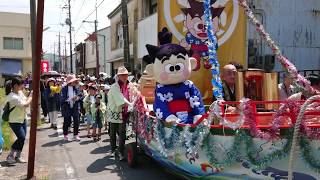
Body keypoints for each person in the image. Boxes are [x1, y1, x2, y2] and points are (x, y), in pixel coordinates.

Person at [107, 66, 133, 161]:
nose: (124, 77)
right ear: (118, 76)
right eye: (122, 75)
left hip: (124, 111)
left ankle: (121, 151)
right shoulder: (114, 87)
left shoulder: (130, 85)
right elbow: (121, 98)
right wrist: (130, 104)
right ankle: (113, 149)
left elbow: (134, 93)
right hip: (114, 111)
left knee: (122, 133)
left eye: (125, 75)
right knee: (113, 132)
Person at [5, 77, 32, 164]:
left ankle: (18, 156)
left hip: (22, 119)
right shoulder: (12, 97)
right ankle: (10, 155)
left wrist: (28, 96)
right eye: (22, 84)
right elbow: (26, 104)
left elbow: (24, 99)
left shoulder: (19, 92)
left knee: (22, 139)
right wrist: (31, 96)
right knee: (22, 137)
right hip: (14, 120)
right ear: (16, 85)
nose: (23, 86)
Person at [61, 74, 81, 141]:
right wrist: (70, 99)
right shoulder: (64, 88)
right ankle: (65, 135)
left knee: (76, 121)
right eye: (73, 81)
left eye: (75, 81)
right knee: (67, 121)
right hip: (67, 107)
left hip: (75, 106)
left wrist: (77, 98)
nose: (75, 82)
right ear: (69, 82)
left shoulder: (76, 87)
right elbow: (62, 98)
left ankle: (76, 135)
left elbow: (80, 95)